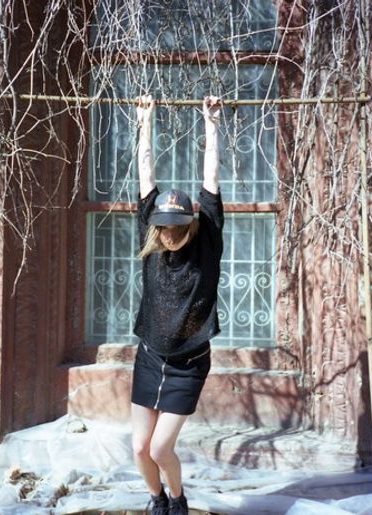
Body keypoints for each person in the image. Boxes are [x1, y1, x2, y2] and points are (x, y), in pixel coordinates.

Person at [131, 94, 223, 515]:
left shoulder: (207, 243)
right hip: (150, 356)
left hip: (189, 364)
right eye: (162, 227)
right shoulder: (151, 241)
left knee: (160, 448)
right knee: (139, 448)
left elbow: (211, 178)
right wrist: (144, 121)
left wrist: (211, 123)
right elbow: (145, 174)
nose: (167, 234)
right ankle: (158, 500)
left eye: (175, 228)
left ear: (189, 223)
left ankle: (178, 498)